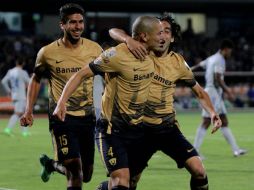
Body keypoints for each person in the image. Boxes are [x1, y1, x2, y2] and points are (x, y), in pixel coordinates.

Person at [97, 13, 222, 190]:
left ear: (172, 37)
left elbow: (199, 92)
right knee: (129, 182)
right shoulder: (140, 52)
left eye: (166, 32)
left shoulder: (178, 63)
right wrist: (127, 39)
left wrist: (212, 113)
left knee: (199, 171)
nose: (162, 36)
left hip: (167, 129)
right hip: (141, 130)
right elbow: (112, 31)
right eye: (159, 31)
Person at [53, 15, 165, 190]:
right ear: (144, 36)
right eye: (159, 33)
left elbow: (117, 32)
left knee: (131, 182)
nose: (163, 37)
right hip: (111, 130)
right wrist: (62, 102)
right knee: (121, 182)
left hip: (137, 130)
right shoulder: (116, 55)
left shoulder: (154, 53)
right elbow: (81, 74)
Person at [20, 3, 102, 190]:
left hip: (88, 117)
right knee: (75, 171)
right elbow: (36, 78)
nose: (78, 26)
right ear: (62, 25)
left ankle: (52, 165)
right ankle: (62, 167)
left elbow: (110, 75)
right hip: (61, 117)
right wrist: (28, 110)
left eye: (81, 22)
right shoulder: (47, 52)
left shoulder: (95, 49)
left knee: (86, 174)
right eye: (72, 22)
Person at [192, 39, 247, 157]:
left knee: (224, 121)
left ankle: (236, 150)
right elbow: (218, 78)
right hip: (212, 93)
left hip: (214, 93)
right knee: (206, 122)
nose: (230, 54)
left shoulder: (212, 58)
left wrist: (186, 71)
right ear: (225, 49)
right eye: (230, 52)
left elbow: (198, 66)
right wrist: (229, 92)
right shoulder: (220, 60)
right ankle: (195, 152)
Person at [2, 56, 30, 137]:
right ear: (23, 63)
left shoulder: (10, 71)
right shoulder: (23, 72)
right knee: (18, 113)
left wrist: (9, 90)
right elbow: (29, 82)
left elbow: (3, 81)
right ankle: (8, 129)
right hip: (21, 95)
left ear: (16, 63)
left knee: (22, 113)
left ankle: (24, 132)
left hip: (14, 95)